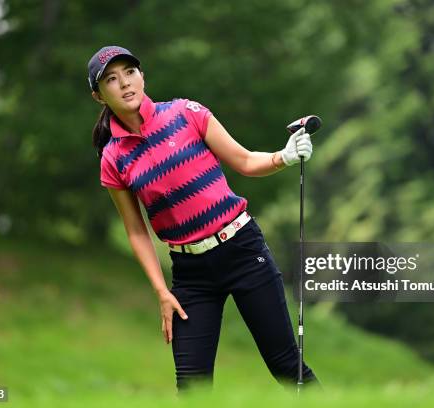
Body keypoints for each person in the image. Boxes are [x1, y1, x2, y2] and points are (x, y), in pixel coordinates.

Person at [87, 45, 321, 394]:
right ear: (99, 96)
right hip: (191, 273)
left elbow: (243, 160)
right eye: (111, 79)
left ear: (142, 75)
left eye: (130, 73)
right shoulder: (113, 158)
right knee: (192, 387)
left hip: (242, 249)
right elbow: (136, 231)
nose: (125, 84)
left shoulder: (185, 112)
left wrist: (283, 157)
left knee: (285, 364)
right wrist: (161, 291)